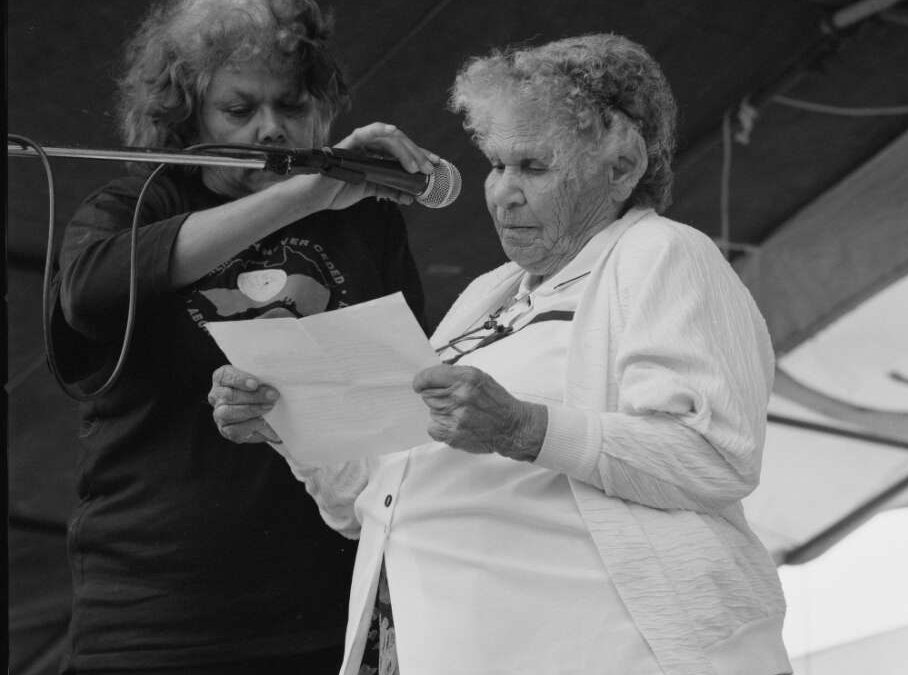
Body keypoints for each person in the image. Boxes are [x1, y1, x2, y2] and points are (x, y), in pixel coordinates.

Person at [210, 33, 792, 675]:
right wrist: (291, 425)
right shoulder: (488, 294)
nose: (503, 194)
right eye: (496, 165)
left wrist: (524, 428)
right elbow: (371, 505)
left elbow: (715, 456)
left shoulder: (662, 254)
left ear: (621, 167)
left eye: (534, 168)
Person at [50, 0, 434, 672]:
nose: (270, 128)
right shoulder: (134, 206)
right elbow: (90, 291)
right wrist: (301, 194)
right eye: (239, 109)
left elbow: (405, 395)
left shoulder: (366, 223)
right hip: (157, 620)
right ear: (188, 112)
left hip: (329, 609)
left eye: (292, 105)